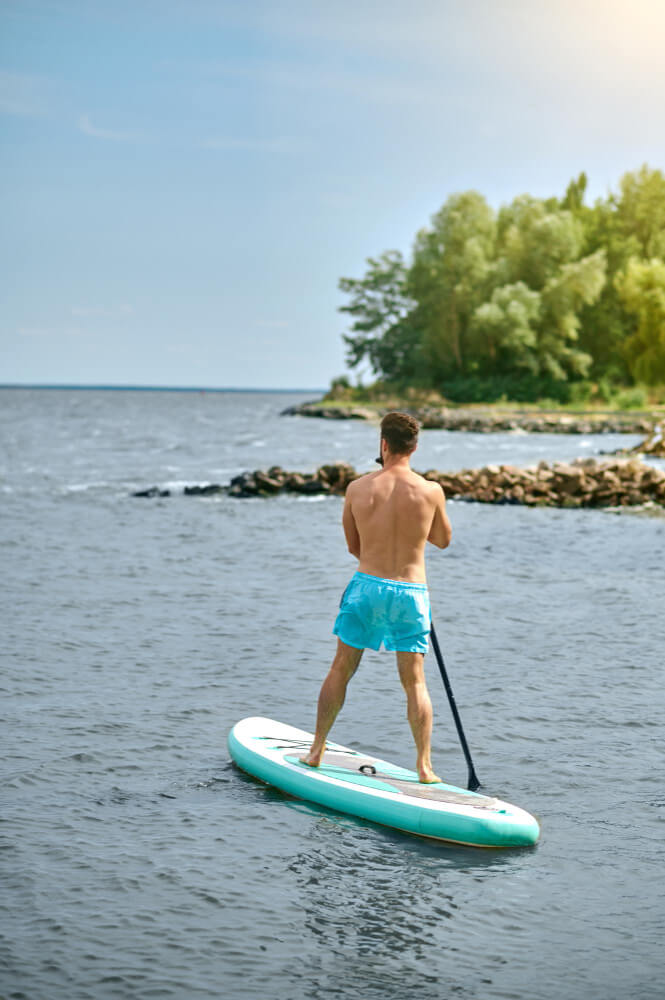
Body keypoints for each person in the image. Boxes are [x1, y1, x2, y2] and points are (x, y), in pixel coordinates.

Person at [301, 411, 452, 783]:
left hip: (367, 585)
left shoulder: (356, 489)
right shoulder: (430, 490)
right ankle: (425, 767)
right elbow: (443, 540)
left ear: (383, 444)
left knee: (341, 668)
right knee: (415, 682)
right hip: (411, 591)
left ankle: (317, 750)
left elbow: (354, 546)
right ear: (414, 447)